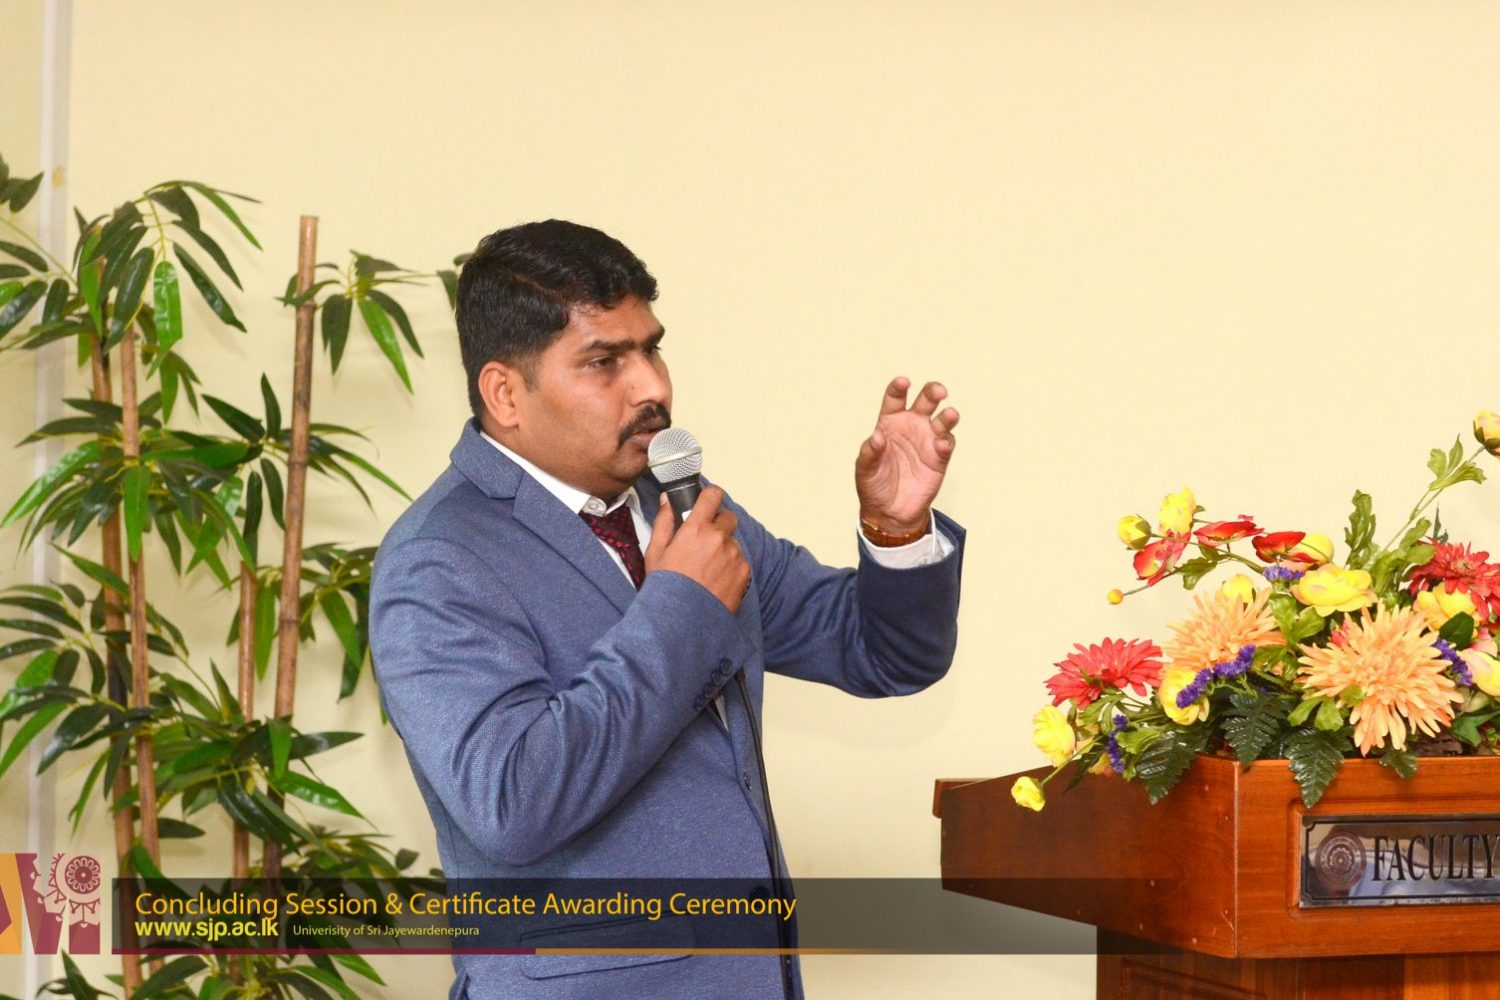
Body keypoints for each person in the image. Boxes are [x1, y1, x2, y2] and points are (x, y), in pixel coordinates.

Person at [369, 220, 965, 999]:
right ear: (505, 393)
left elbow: (885, 654)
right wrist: (679, 608)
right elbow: (512, 801)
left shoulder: (680, 503)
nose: (652, 386)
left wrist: (896, 530)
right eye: (604, 362)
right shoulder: (438, 559)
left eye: (651, 349)